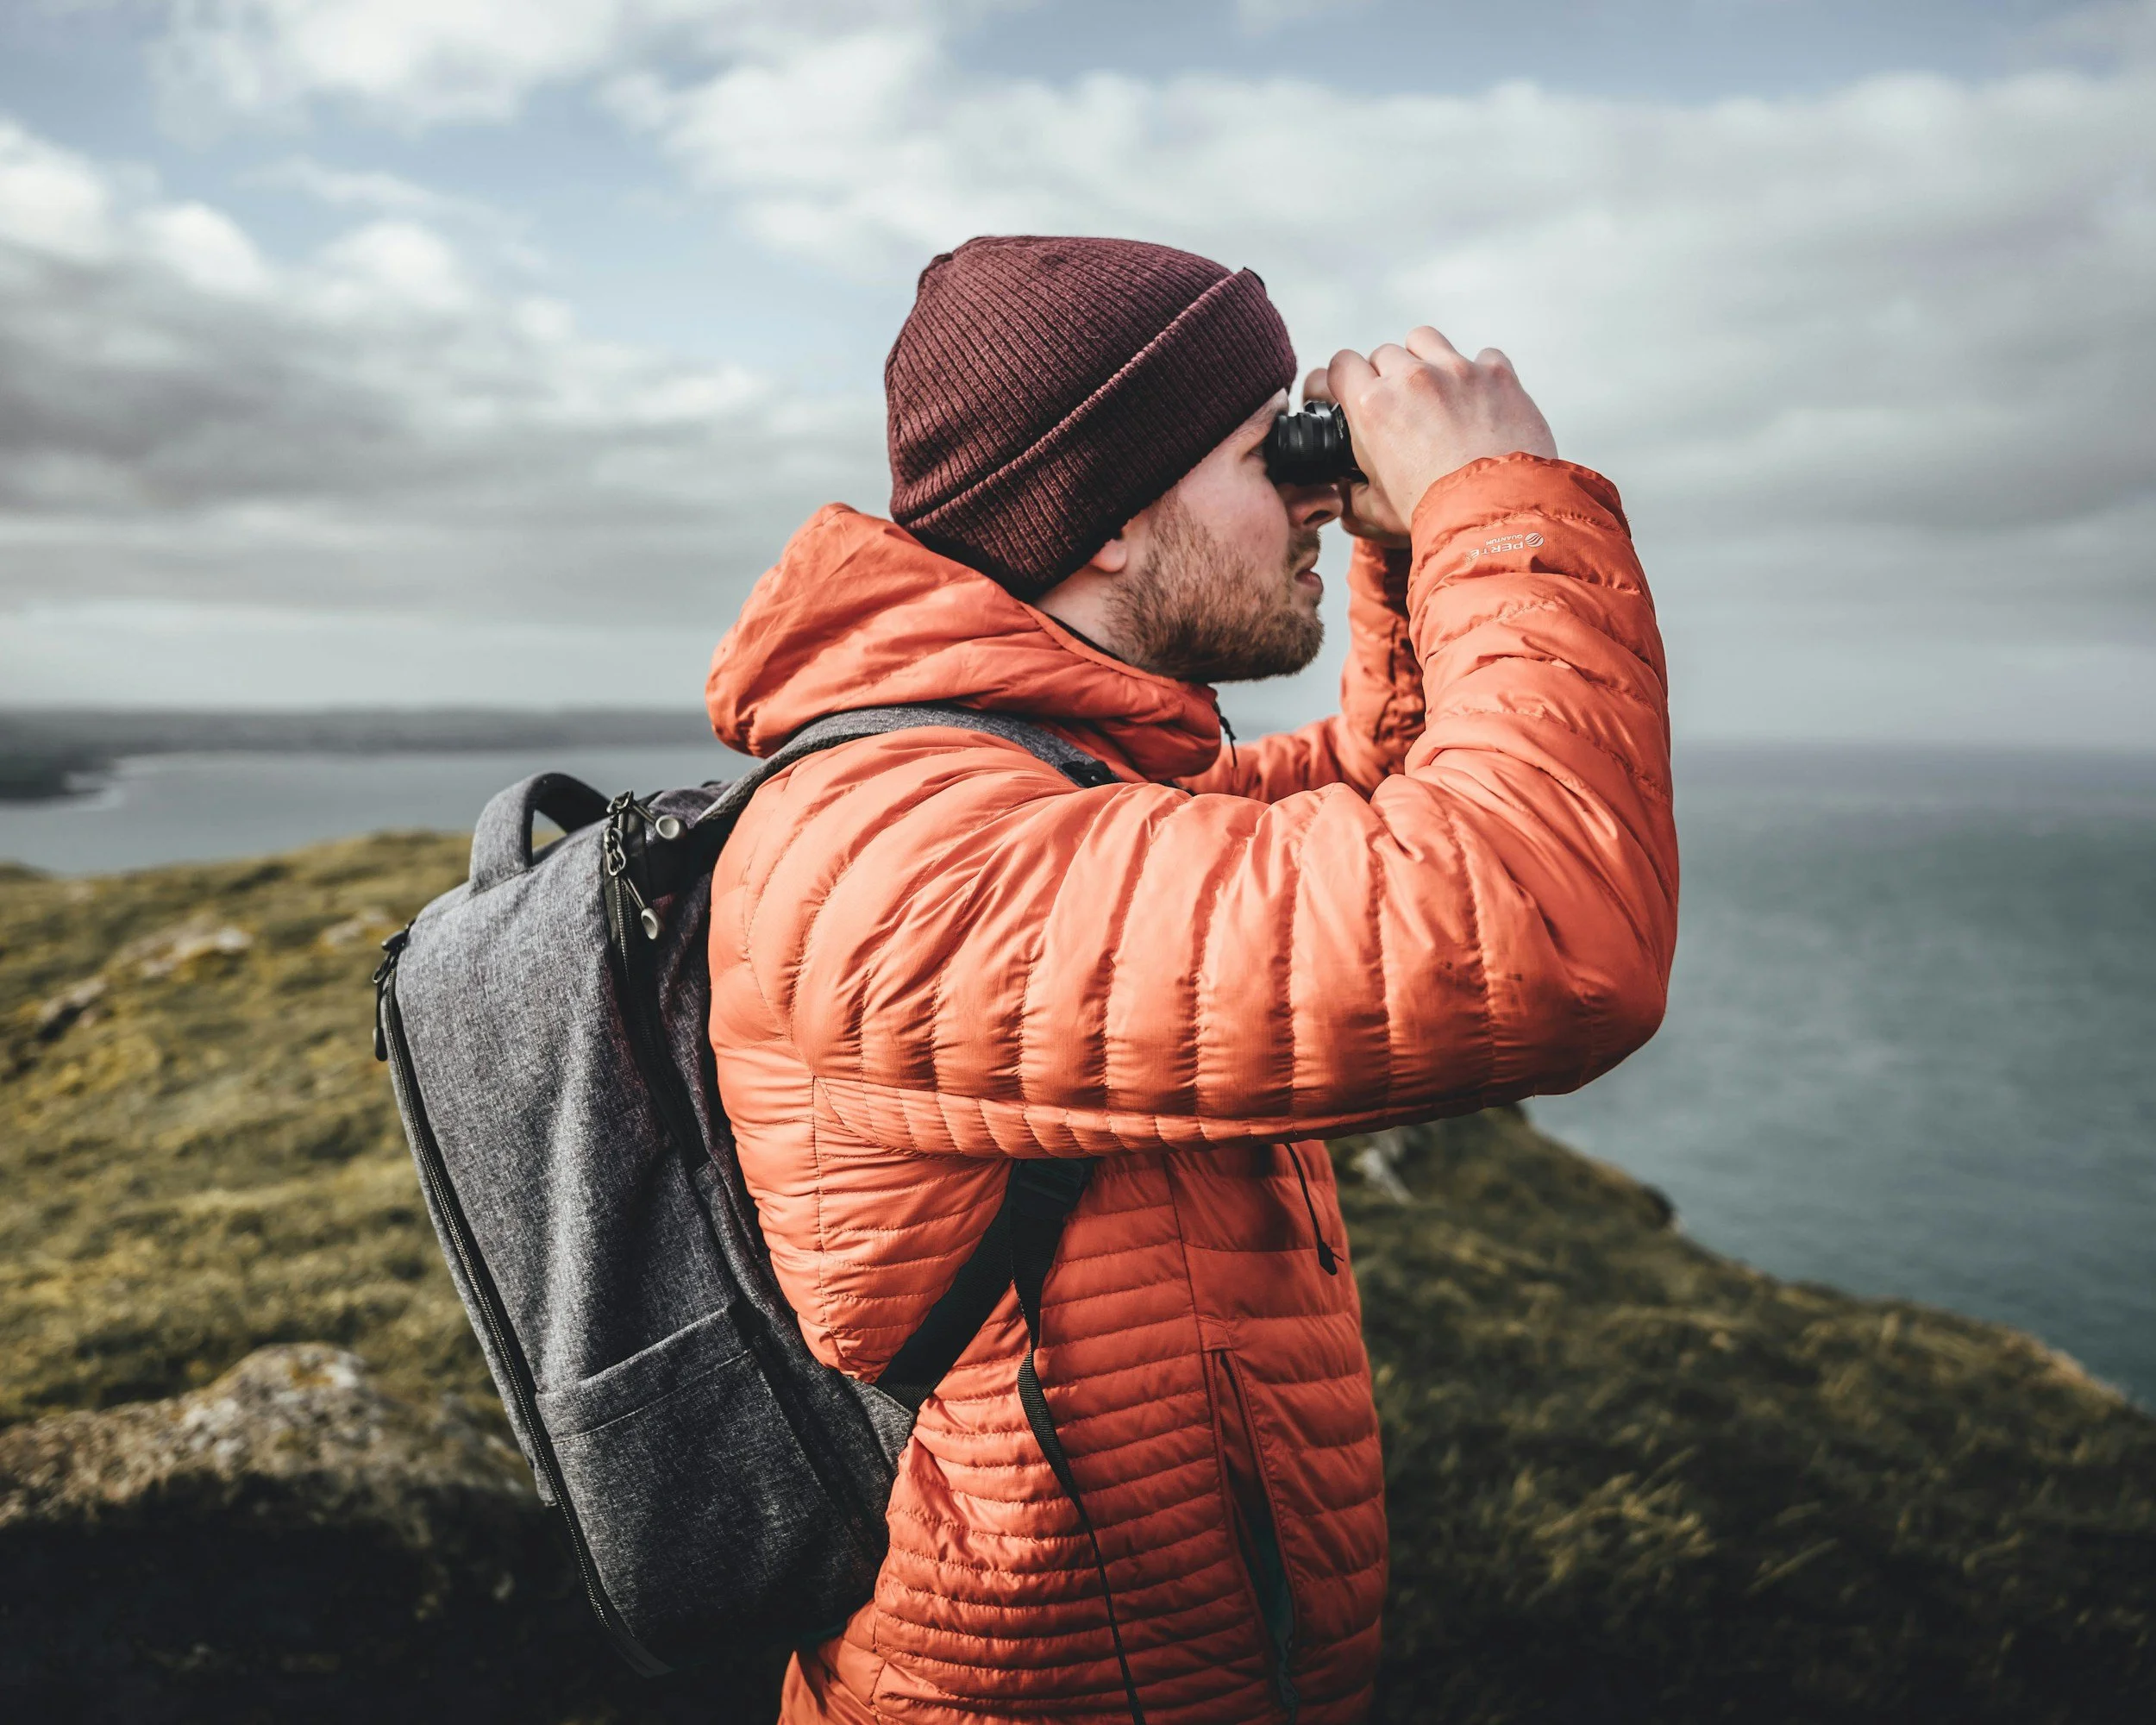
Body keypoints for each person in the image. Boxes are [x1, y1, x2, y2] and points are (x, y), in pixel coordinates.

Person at [703, 235, 1678, 1725]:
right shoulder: (904, 853)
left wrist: (1410, 546)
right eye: (1261, 447)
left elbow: (1379, 800)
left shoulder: (1054, 789)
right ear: (1104, 519)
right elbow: (1537, 931)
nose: (1305, 482)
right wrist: (1498, 498)